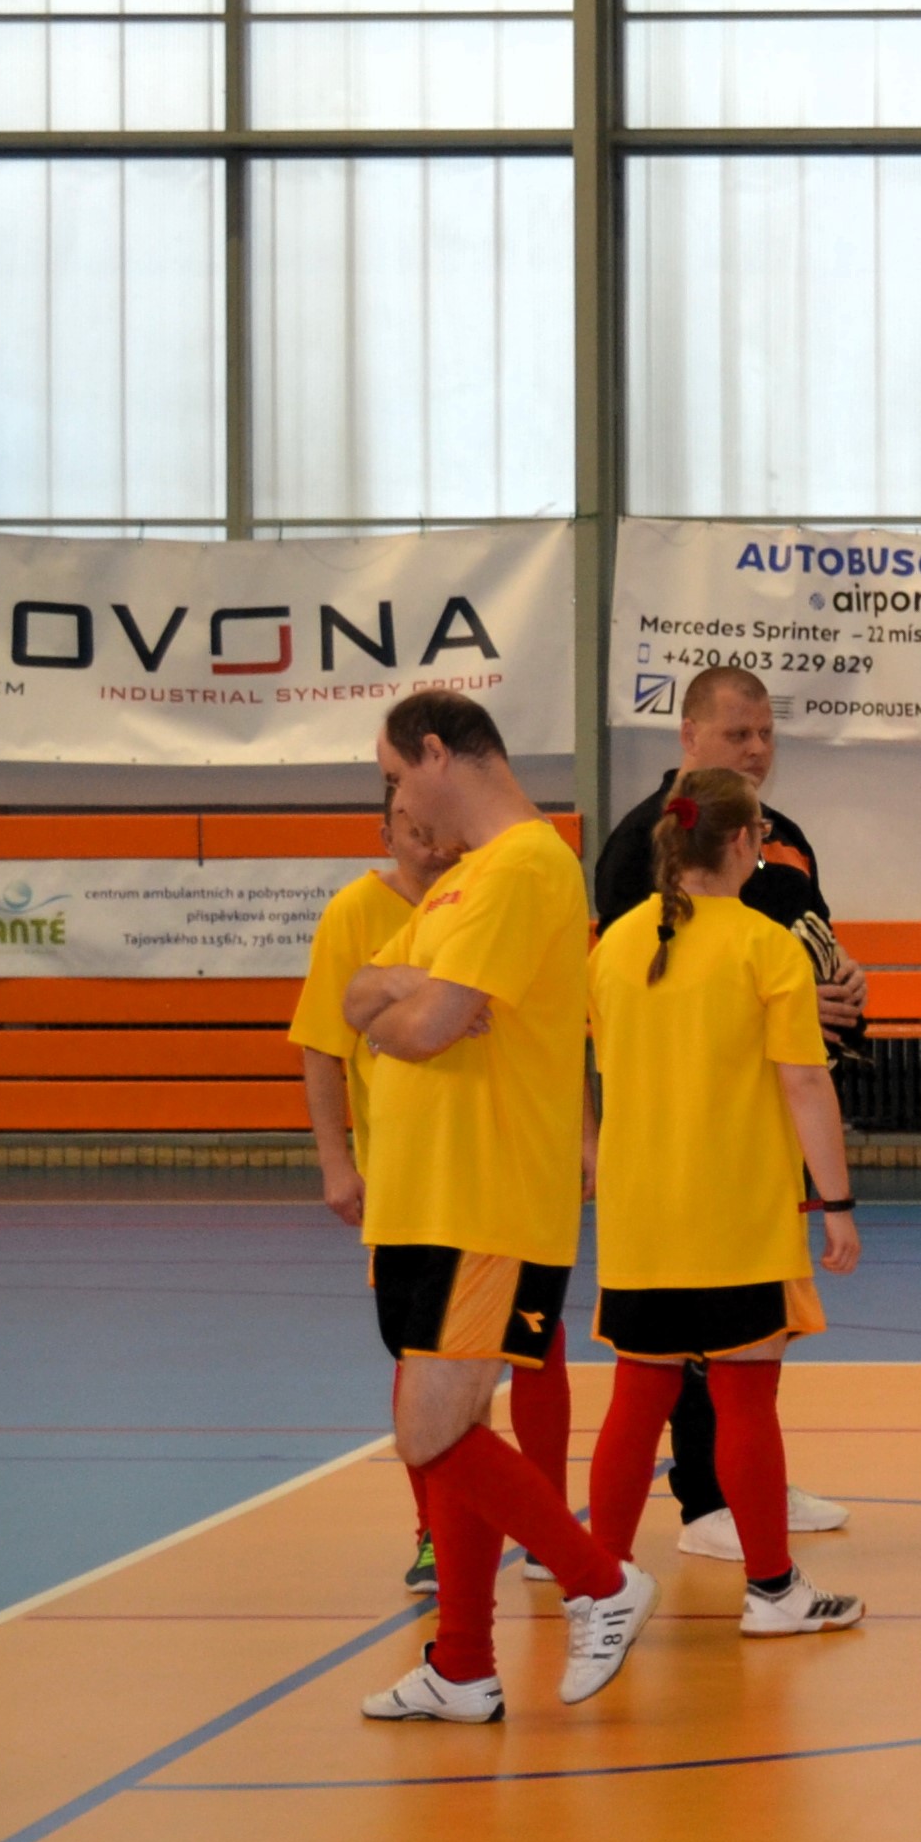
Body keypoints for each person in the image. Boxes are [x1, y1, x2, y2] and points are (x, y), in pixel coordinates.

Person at [337, 693, 653, 1721]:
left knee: (428, 1432)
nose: (397, 797)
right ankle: (463, 1665)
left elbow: (422, 1026)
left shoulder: (524, 867)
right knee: (454, 1427)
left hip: (483, 1197)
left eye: (397, 775)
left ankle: (601, 1582)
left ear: (437, 752)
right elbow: (357, 997)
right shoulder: (463, 882)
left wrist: (406, 1000)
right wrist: (402, 993)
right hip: (422, 1196)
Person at [583, 767, 867, 1638]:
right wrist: (837, 1201)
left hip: (639, 1215)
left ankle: (600, 1585)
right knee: (744, 1400)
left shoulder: (614, 946)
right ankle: (773, 1591)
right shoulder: (763, 945)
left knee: (638, 1395)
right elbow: (805, 1084)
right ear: (743, 843)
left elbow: (595, 1072)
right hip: (736, 1210)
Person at [292, 781, 464, 1594]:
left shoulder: (489, 898)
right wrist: (337, 1161)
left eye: (439, 826)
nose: (429, 841)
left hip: (496, 1168)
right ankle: (436, 1532)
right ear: (385, 830)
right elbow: (322, 1044)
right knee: (420, 1355)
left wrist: (579, 1135)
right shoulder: (353, 913)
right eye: (411, 826)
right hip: (403, 1178)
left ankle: (534, 1533)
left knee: (527, 1356)